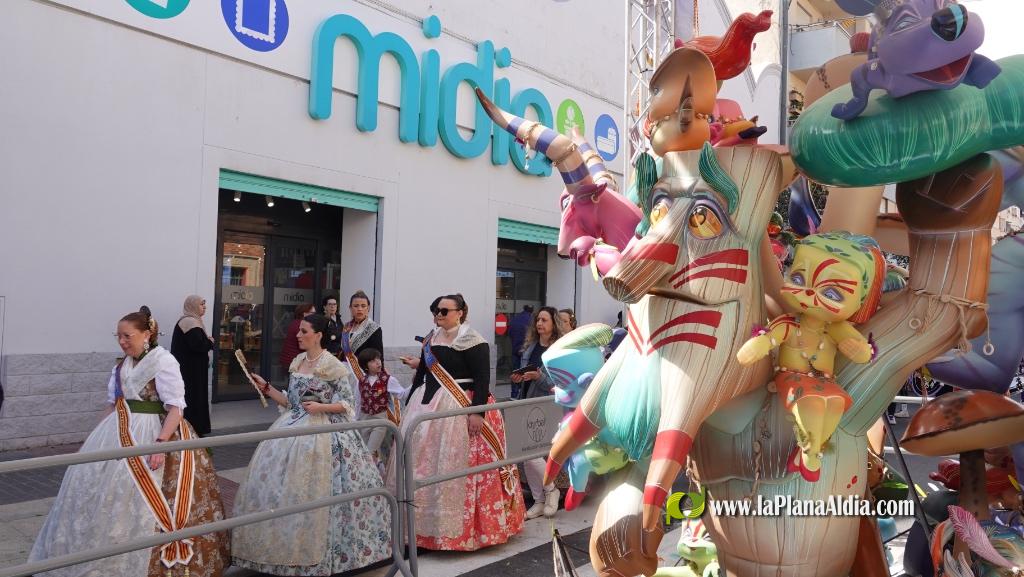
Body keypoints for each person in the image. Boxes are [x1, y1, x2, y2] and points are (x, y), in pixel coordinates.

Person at [30, 306, 230, 577]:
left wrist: (161, 443)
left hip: (156, 432)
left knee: (142, 494)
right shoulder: (121, 365)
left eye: (127, 336)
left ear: (147, 334)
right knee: (97, 489)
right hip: (119, 430)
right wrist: (91, 440)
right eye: (119, 336)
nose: (122, 341)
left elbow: (175, 408)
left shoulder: (163, 361)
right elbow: (113, 405)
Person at [232, 314, 391, 575]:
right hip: (291, 429)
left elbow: (349, 404)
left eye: (303, 331)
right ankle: (281, 550)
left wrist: (321, 406)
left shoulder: (333, 365)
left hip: (325, 435)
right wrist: (268, 388)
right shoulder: (298, 362)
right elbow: (292, 404)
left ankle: (326, 555)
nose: (298, 335)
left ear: (318, 334)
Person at [392, 294, 525, 550]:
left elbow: (481, 378)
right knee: (422, 464)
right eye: (436, 310)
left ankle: (460, 533)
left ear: (460, 312)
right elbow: (421, 375)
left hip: (460, 406)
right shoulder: (430, 340)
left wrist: (477, 413)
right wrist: (409, 405)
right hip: (426, 407)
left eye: (444, 310)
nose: (439, 315)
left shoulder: (474, 341)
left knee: (458, 467)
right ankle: (418, 529)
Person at [512, 306, 564, 519]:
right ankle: (539, 500)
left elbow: (559, 382)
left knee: (534, 453)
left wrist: (537, 378)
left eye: (544, 320)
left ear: (554, 324)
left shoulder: (559, 350)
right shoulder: (530, 346)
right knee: (526, 455)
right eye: (538, 320)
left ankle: (551, 490)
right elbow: (525, 374)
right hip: (526, 402)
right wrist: (518, 378)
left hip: (548, 405)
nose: (539, 324)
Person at [357, 347, 407, 475]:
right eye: (373, 360)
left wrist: (417, 384)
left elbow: (402, 394)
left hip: (380, 420)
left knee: (368, 452)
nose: (378, 362)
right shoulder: (361, 381)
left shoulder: (388, 379)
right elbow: (358, 402)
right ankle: (379, 473)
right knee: (363, 452)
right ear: (365, 365)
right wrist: (355, 422)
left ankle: (369, 482)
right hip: (363, 420)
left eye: (378, 359)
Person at [171, 295, 214, 436]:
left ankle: (194, 428)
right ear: (193, 306)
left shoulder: (193, 321)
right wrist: (210, 342)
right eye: (202, 304)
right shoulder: (189, 322)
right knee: (193, 398)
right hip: (190, 371)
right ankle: (193, 429)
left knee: (195, 397)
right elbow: (198, 345)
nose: (205, 307)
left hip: (193, 369)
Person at [340, 290, 384, 419]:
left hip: (362, 375)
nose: (359, 309)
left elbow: (378, 355)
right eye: (356, 306)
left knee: (358, 410)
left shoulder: (374, 328)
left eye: (363, 306)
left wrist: (378, 378)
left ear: (368, 308)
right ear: (350, 308)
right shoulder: (347, 327)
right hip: (345, 375)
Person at [279, 303, 315, 371]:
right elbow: (305, 345)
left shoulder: (296, 322)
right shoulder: (301, 325)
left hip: (290, 360)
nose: (315, 315)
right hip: (293, 362)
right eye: (312, 313)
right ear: (304, 314)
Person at [507, 305, 533, 397]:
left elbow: (509, 332)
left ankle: (513, 394)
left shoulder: (515, 319)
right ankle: (522, 394)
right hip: (525, 351)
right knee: (525, 373)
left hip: (515, 349)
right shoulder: (531, 320)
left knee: (515, 374)